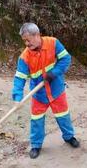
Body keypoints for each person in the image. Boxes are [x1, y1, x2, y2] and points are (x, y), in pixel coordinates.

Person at [12, 23, 79, 159]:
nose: (26, 43)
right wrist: (17, 98)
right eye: (24, 40)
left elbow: (66, 59)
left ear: (37, 35)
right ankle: (36, 145)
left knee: (63, 115)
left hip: (56, 90)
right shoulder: (24, 57)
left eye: (28, 39)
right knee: (36, 120)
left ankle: (69, 137)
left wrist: (54, 73)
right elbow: (19, 79)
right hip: (39, 94)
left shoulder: (53, 43)